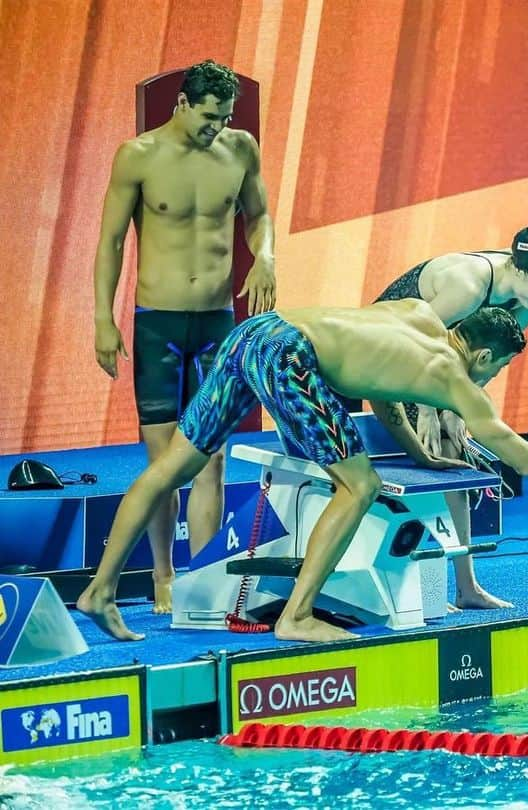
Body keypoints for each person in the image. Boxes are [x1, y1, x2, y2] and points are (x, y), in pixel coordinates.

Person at [77, 304, 528, 643]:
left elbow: (383, 391)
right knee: (361, 484)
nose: (492, 380)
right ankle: (296, 615)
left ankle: (99, 592)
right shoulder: (454, 378)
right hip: (287, 354)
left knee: (170, 467)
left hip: (254, 332)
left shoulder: (417, 316)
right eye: (499, 369)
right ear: (489, 356)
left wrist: (420, 452)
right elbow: (521, 455)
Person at [92, 60, 276, 614]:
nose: (214, 128)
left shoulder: (240, 149)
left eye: (223, 118)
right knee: (164, 462)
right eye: (207, 117)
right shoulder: (140, 155)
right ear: (181, 104)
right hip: (160, 325)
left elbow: (258, 214)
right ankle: (163, 576)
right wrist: (104, 318)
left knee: (212, 459)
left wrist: (265, 256)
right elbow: (111, 243)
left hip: (217, 321)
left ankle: (205, 576)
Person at [369, 225, 528, 609]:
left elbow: (485, 364)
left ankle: (466, 587)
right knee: (437, 448)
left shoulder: (525, 302)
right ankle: (425, 588)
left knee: (454, 453)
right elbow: (418, 340)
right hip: (388, 343)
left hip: (430, 361)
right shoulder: (469, 286)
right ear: (520, 270)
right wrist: (428, 407)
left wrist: (459, 408)